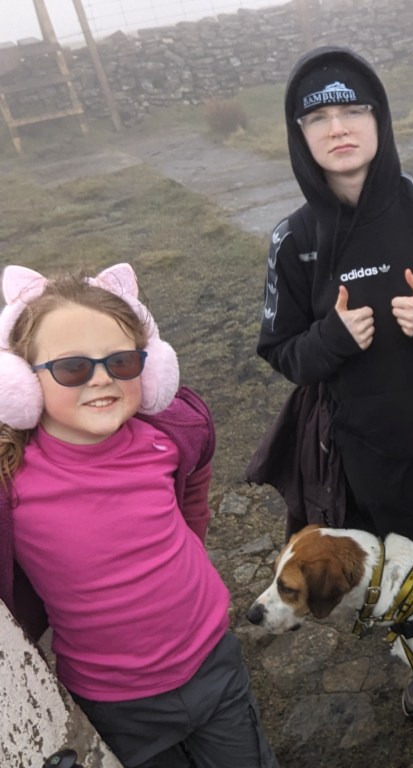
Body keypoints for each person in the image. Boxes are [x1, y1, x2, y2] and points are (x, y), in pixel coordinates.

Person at [255, 46, 413, 719]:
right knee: (406, 564)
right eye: (318, 118)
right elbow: (280, 351)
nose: (338, 128)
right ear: (300, 135)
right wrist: (331, 340)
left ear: (380, 120)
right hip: (370, 444)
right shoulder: (294, 240)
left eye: (353, 110)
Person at [0, 263, 277, 768]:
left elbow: (193, 492)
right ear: (20, 381)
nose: (102, 378)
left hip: (213, 662)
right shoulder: (11, 483)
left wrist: (191, 544)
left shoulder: (165, 439)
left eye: (122, 361)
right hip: (116, 702)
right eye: (72, 367)